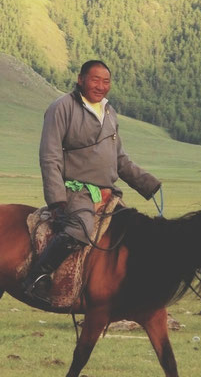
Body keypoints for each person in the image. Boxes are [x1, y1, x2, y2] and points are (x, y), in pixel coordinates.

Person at [24, 60, 162, 299]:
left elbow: (119, 158)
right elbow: (50, 156)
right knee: (80, 229)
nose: (101, 86)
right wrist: (57, 201)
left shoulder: (109, 112)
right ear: (81, 79)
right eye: (95, 80)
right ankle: (38, 277)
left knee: (133, 231)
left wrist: (148, 184)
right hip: (76, 191)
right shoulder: (62, 107)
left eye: (106, 81)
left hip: (108, 192)